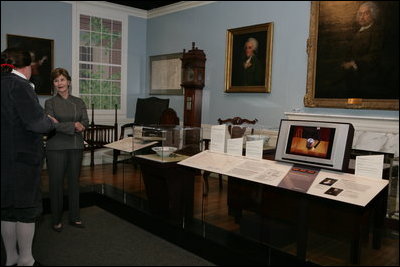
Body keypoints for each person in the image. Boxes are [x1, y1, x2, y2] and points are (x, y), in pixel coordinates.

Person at [1, 48, 56, 266]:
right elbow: (37, 124)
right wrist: (49, 121)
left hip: (3, 160)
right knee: (25, 211)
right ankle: (26, 259)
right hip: (21, 161)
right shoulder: (20, 86)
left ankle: (10, 257)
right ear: (26, 68)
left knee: (6, 210)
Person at [44, 68, 89, 232]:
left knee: (73, 183)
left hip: (76, 146)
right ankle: (56, 220)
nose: (59, 83)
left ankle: (75, 217)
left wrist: (62, 124)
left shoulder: (79, 102)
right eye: (56, 81)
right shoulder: (49, 103)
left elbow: (85, 122)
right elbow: (51, 125)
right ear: (54, 84)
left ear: (68, 82)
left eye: (62, 80)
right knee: (56, 184)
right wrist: (72, 125)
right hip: (55, 147)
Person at [341, 1, 384, 98]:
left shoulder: (377, 32)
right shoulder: (356, 32)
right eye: (360, 14)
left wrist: (354, 63)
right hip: (352, 76)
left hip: (368, 78)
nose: (362, 17)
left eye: (366, 13)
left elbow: (375, 56)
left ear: (373, 15)